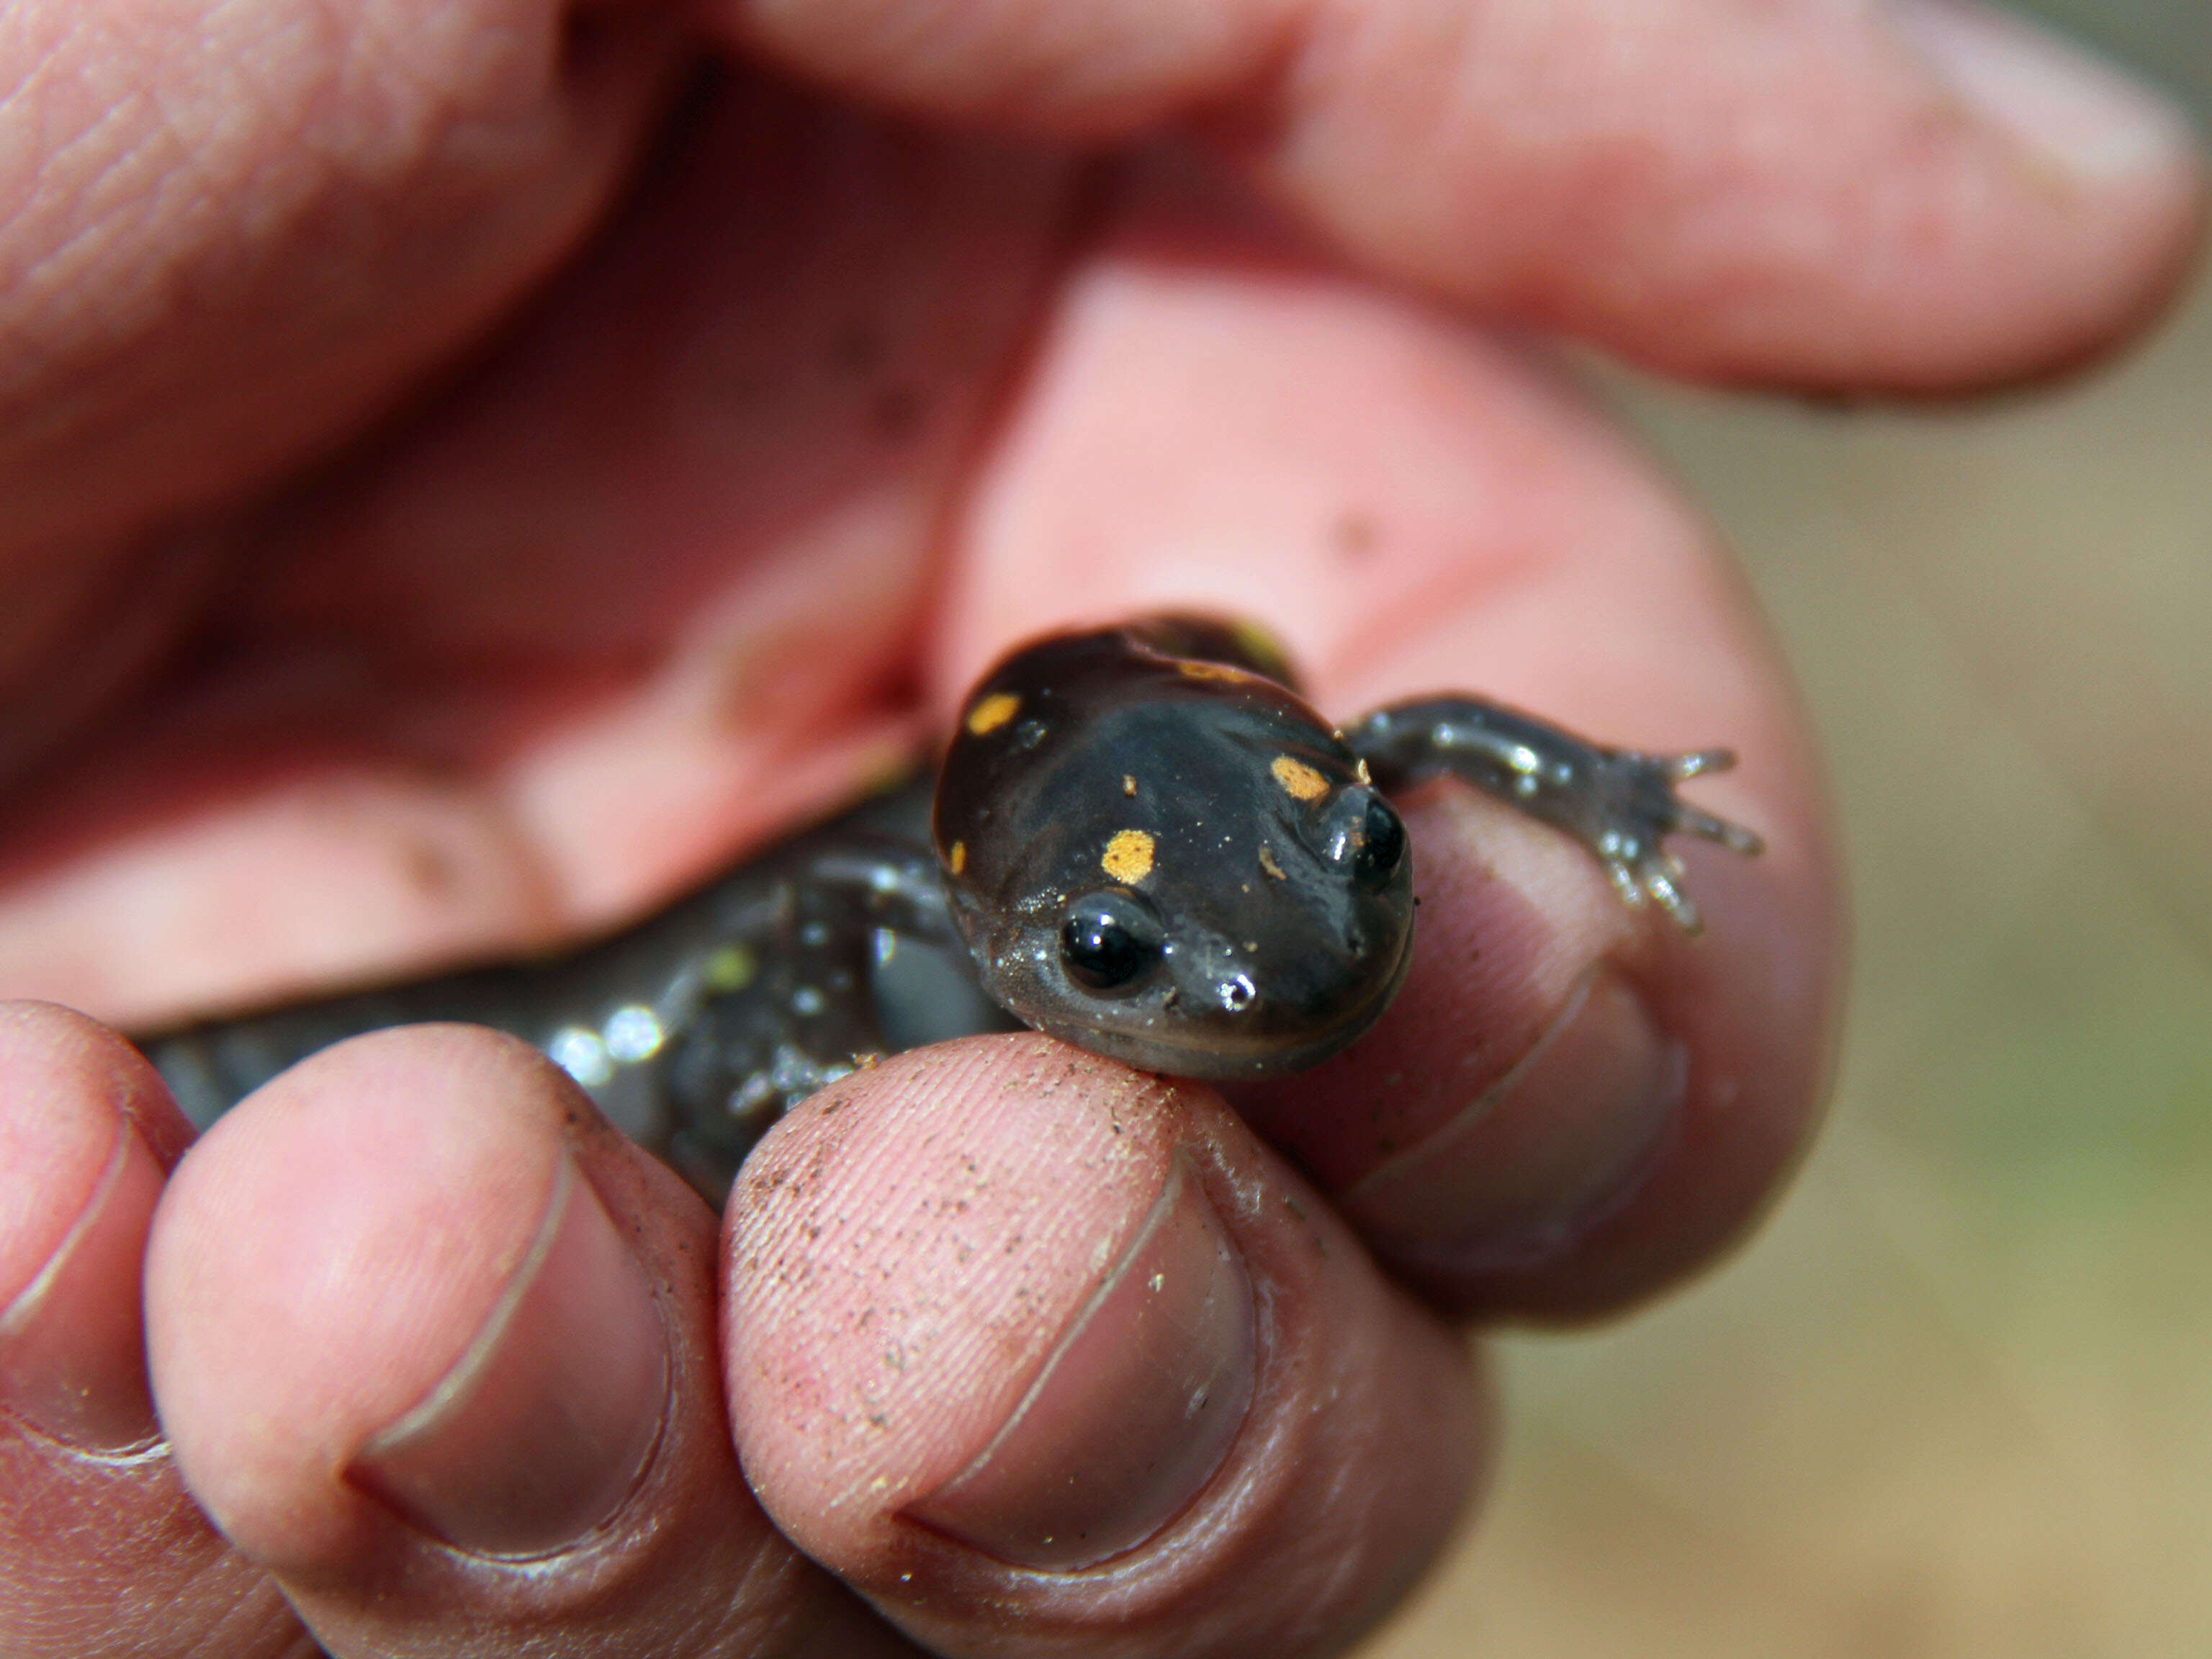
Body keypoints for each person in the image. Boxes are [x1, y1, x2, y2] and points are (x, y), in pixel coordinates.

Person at [0, 1, 2198, 1653]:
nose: (1313, 972)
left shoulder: (1286, 793)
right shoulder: (892, 888)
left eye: (1360, 860)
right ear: (990, 897)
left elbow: (1412, 733)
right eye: (1134, 966)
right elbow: (1352, 746)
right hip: (427, 1024)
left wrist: (1600, 790)